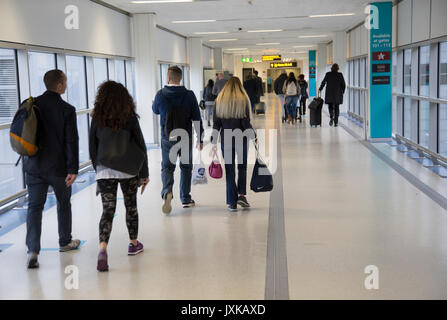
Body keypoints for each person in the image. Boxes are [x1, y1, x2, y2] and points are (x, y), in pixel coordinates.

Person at [89, 81, 149, 272]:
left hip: (104, 169)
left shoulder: (97, 117)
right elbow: (141, 145)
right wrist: (144, 174)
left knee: (108, 210)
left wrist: (97, 170)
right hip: (129, 169)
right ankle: (133, 244)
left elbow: (92, 146)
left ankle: (102, 249)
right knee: (131, 206)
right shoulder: (129, 116)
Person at [23, 69, 80, 269]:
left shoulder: (31, 104)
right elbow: (71, 141)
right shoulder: (67, 109)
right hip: (58, 168)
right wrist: (73, 168)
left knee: (34, 207)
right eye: (64, 82)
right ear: (58, 85)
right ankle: (65, 241)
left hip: (33, 166)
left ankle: (32, 250)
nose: (66, 85)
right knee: (63, 203)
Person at [152, 66, 204, 214]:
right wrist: (200, 138)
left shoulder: (160, 94)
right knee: (186, 167)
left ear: (168, 78)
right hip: (185, 137)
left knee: (167, 167)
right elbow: (197, 118)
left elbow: (155, 110)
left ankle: (167, 191)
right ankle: (186, 198)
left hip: (167, 137)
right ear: (180, 78)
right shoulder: (189, 95)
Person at [211, 77, 256, 212]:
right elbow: (245, 123)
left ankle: (231, 202)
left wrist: (213, 141)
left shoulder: (219, 101)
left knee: (229, 170)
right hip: (241, 139)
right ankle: (242, 195)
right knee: (242, 168)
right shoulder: (243, 100)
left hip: (226, 139)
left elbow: (216, 124)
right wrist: (254, 136)